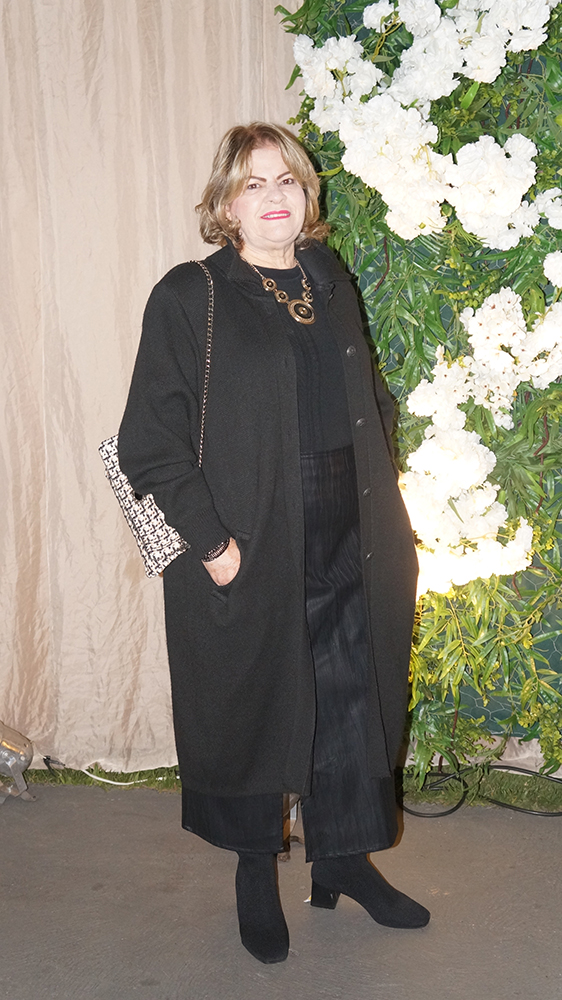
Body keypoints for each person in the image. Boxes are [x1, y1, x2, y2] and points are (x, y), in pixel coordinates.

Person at [118, 122, 429, 964]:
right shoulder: (191, 296)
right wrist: (212, 544)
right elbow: (150, 442)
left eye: (286, 179)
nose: (273, 196)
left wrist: (387, 494)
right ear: (226, 203)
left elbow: (369, 396)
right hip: (249, 538)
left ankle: (345, 859)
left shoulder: (329, 277)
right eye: (252, 183)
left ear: (307, 192)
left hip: (353, 525)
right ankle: (255, 870)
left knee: (351, 692)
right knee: (254, 704)